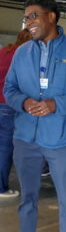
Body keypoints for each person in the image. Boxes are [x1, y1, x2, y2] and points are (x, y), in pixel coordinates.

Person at [4, 0, 66, 232]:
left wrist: (56, 105)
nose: (28, 23)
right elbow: (9, 89)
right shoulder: (22, 53)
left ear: (52, 16)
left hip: (62, 140)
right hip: (25, 138)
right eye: (26, 18)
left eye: (33, 16)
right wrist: (24, 103)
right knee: (27, 200)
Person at [0, 28, 31, 198]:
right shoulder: (24, 56)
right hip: (8, 105)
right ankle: (1, 187)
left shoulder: (4, 51)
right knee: (5, 148)